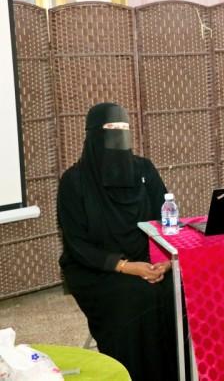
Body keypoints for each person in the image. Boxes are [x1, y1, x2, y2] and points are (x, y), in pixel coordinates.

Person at [57, 102, 178, 381]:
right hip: (96, 268)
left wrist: (165, 262)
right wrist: (126, 266)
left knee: (177, 291)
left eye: (124, 128)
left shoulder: (144, 170)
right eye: (111, 129)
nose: (119, 136)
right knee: (136, 297)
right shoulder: (74, 182)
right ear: (93, 134)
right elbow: (77, 245)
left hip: (148, 259)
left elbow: (165, 220)